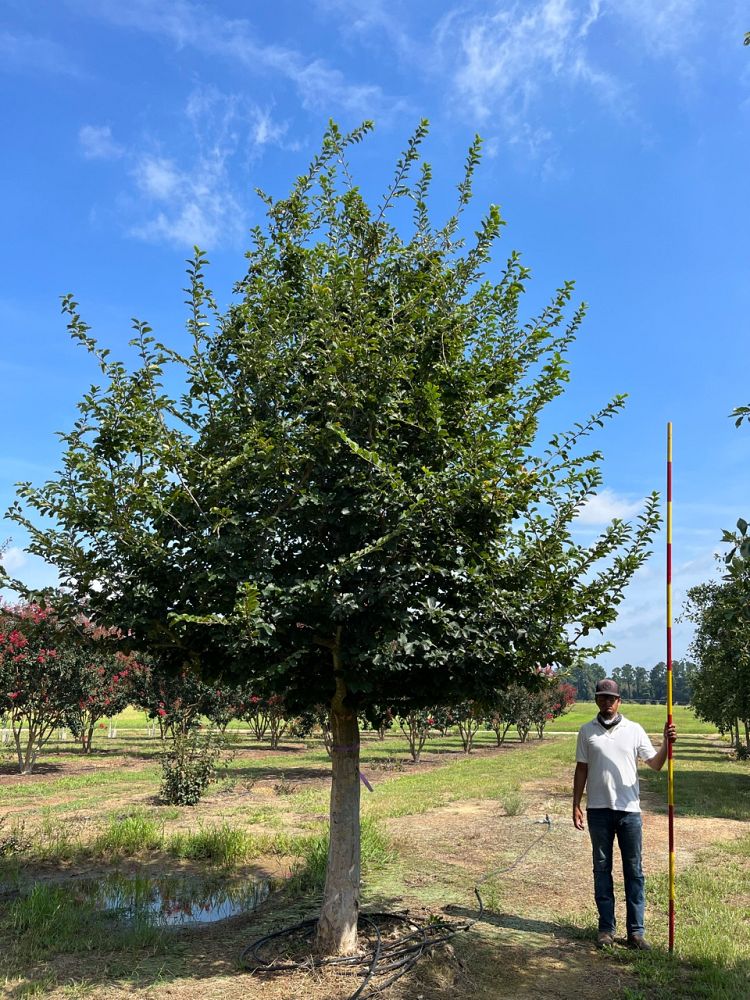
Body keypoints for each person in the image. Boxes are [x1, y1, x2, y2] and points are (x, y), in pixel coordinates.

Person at [572, 678, 677, 950]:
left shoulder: (634, 730)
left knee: (634, 872)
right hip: (598, 811)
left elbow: (654, 764)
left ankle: (636, 932)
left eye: (612, 698)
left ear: (619, 701)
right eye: (602, 697)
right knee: (601, 869)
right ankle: (606, 929)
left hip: (629, 813)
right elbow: (581, 768)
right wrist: (576, 803)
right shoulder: (586, 732)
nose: (607, 702)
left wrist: (666, 743)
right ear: (597, 700)